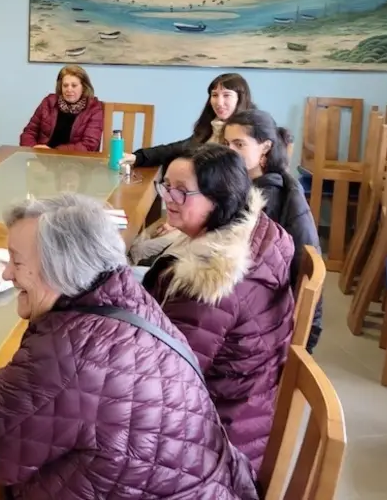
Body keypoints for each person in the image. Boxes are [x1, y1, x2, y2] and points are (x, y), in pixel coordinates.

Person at [0, 194, 259, 500]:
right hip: (211, 484)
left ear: (60, 269)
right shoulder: (130, 299)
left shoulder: (65, 353)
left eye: (17, 262)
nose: (7, 273)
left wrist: (5, 378)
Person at [139, 144, 295, 472]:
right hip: (248, 403)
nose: (168, 197)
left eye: (181, 191)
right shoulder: (258, 230)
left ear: (219, 197)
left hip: (216, 437)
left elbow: (164, 383)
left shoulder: (209, 285)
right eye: (166, 185)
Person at [224, 109, 322, 352]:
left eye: (239, 144)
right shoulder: (261, 181)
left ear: (265, 147)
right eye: (226, 144)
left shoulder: (268, 198)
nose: (229, 152)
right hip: (263, 298)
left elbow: (240, 264)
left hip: (265, 314)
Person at [122, 72, 254, 168]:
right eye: (214, 95)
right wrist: (138, 157)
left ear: (240, 99)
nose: (219, 102)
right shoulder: (212, 126)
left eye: (227, 95)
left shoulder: (249, 130)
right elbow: (176, 148)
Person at [19, 65, 104, 152]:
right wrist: (33, 149)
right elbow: (29, 132)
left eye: (74, 85)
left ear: (83, 87)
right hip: (42, 159)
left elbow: (89, 145)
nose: (69, 89)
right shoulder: (48, 102)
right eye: (65, 85)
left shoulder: (94, 108)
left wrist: (54, 152)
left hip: (76, 162)